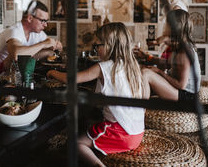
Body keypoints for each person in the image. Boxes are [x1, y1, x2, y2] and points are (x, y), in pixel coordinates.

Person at [47, 23, 149, 167]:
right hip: (138, 132)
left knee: (76, 143)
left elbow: (70, 79)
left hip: (121, 133)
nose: (96, 50)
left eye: (98, 46)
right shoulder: (132, 67)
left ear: (109, 45)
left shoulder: (104, 67)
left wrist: (52, 73)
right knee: (92, 125)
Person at [0, 0, 62, 75]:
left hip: (16, 73)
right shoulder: (14, 30)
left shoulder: (36, 31)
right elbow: (16, 55)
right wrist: (43, 44)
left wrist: (55, 46)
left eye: (46, 21)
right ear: (30, 18)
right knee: (18, 56)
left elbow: (51, 46)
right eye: (43, 21)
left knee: (48, 53)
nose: (45, 25)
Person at [142, 9, 201, 101]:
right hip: (179, 91)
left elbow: (181, 85)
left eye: (167, 24)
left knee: (146, 74)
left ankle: (141, 111)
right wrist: (147, 57)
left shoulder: (185, 51)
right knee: (143, 70)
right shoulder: (178, 46)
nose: (165, 27)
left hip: (187, 96)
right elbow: (167, 63)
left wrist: (159, 72)